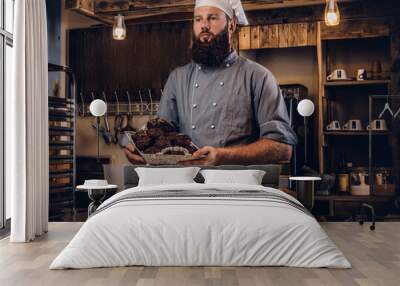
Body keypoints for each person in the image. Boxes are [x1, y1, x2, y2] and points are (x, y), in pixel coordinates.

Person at [125, 0, 297, 166]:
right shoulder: (178, 78)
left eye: (212, 18)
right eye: (198, 19)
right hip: (187, 185)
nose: (204, 26)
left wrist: (224, 157)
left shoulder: (258, 77)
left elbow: (281, 149)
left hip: (239, 186)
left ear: (231, 25)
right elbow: (161, 138)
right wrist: (142, 149)